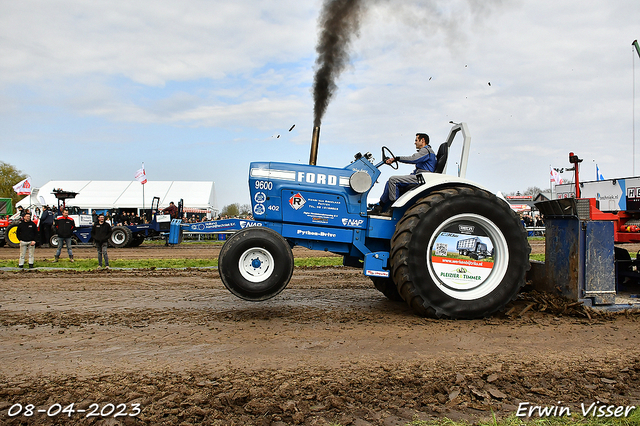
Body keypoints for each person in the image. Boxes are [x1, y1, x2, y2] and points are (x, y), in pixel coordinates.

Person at [370, 133, 436, 215]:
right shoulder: (427, 152)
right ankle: (380, 206)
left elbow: (413, 159)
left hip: (422, 177)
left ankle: (392, 210)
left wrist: (396, 158)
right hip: (419, 176)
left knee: (393, 180)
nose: (415, 142)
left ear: (422, 140)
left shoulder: (426, 151)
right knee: (389, 182)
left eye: (416, 140)